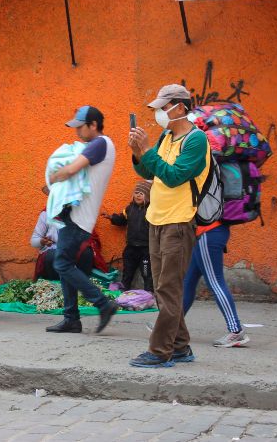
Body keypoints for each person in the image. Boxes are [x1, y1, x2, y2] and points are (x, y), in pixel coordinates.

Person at [128, 83, 211, 368]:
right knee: (163, 288)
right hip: (157, 219)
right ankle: (180, 346)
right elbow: (149, 170)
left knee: (168, 288)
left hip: (179, 222)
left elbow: (175, 176)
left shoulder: (196, 140)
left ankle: (160, 350)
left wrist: (148, 150)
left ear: (181, 107)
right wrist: (138, 152)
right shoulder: (165, 137)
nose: (160, 113)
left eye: (164, 107)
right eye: (159, 108)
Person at [44, 105, 118, 335]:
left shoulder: (101, 143)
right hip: (76, 216)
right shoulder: (97, 145)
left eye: (80, 127)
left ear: (93, 125)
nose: (77, 132)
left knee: (62, 263)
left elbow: (70, 170)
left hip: (80, 217)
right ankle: (71, 319)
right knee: (66, 264)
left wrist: (53, 178)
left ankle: (103, 304)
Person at [183, 222, 250, 347]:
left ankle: (236, 330)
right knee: (188, 280)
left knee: (215, 282)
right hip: (210, 232)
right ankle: (171, 325)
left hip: (207, 232)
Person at [31, 185, 93, 281]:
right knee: (53, 256)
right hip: (54, 249)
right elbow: (34, 241)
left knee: (86, 252)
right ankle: (56, 286)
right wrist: (42, 241)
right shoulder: (46, 214)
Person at [101, 180, 153, 292]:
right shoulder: (129, 209)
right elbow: (122, 220)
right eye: (136, 192)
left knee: (146, 272)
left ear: (148, 196)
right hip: (131, 247)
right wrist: (111, 218)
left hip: (146, 249)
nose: (138, 195)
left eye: (142, 193)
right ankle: (124, 290)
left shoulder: (151, 210)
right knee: (127, 271)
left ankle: (149, 292)